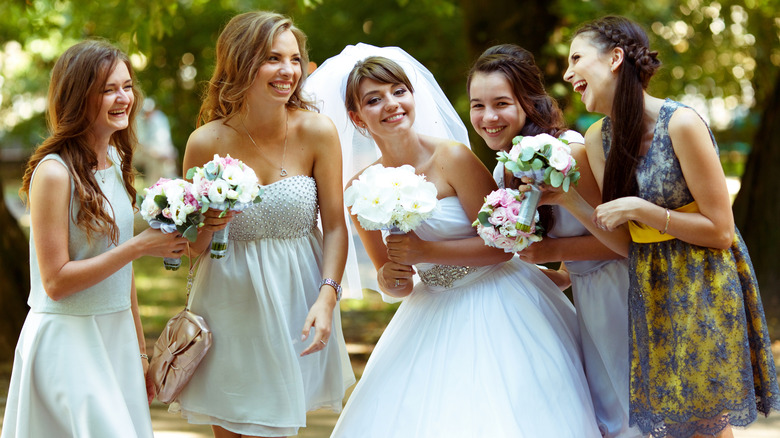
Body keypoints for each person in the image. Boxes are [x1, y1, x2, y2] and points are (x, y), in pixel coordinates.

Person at [307, 52, 601, 437]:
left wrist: (425, 252)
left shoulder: (452, 157)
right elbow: (393, 282)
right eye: (374, 99)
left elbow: (501, 246)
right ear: (358, 118)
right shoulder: (360, 189)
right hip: (431, 307)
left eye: (399, 91)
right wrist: (392, 275)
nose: (391, 104)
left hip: (501, 299)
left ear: (414, 97)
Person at [552, 15, 780, 437]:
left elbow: (720, 232)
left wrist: (645, 209)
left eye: (576, 58)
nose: (567, 73)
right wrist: (568, 200)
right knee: (676, 425)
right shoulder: (599, 138)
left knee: (706, 424)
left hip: (705, 283)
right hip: (651, 286)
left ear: (615, 58)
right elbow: (621, 243)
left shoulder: (681, 124)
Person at [174, 11, 354, 438]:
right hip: (228, 302)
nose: (288, 70)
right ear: (240, 62)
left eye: (294, 59)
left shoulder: (317, 132)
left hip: (299, 300)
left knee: (277, 427)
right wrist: (209, 222)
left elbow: (334, 227)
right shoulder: (205, 142)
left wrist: (327, 297)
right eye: (273, 58)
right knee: (233, 429)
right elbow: (190, 248)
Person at [1, 40, 188, 438]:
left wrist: (139, 352)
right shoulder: (53, 174)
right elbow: (55, 282)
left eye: (127, 86)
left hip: (115, 337)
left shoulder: (118, 162)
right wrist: (139, 247)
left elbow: (123, 278)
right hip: (70, 342)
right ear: (78, 96)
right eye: (108, 89)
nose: (124, 98)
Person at [467, 44, 642, 438]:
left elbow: (619, 242)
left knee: (630, 414)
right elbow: (568, 249)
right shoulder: (506, 169)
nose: (488, 117)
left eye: (501, 103)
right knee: (607, 414)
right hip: (586, 297)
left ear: (528, 101)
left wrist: (552, 252)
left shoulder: (567, 153)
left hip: (620, 293)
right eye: (477, 105)